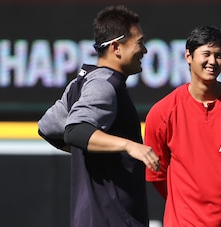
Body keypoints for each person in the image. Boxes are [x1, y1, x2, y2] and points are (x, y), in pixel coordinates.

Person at [38, 5, 160, 227]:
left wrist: (97, 152)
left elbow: (48, 128)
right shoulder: (104, 84)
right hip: (112, 219)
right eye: (139, 42)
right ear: (116, 47)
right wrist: (128, 146)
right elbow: (75, 131)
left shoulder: (81, 82)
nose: (145, 50)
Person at [144, 25, 221, 227]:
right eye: (206, 54)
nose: (212, 61)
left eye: (219, 55)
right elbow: (158, 175)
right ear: (188, 56)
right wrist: (189, 205)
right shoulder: (162, 112)